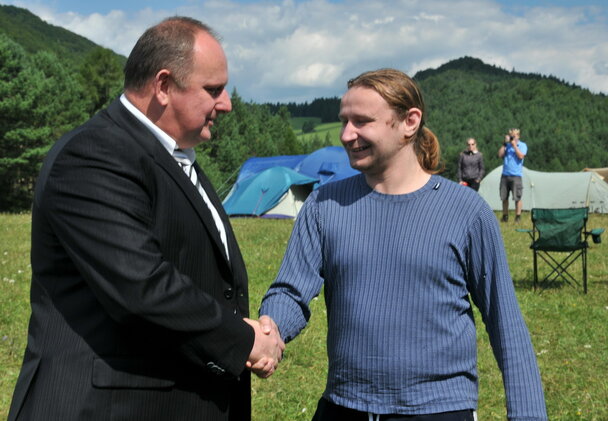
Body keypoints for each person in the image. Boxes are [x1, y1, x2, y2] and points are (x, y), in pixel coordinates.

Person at [8, 16, 284, 421]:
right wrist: (243, 339)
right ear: (163, 86)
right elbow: (141, 285)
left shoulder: (173, 157)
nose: (226, 103)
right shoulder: (95, 156)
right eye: (213, 90)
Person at [260, 69, 547, 421]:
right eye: (344, 121)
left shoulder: (466, 212)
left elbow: (505, 323)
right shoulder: (323, 205)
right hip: (343, 406)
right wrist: (269, 328)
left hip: (439, 410)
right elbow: (291, 290)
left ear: (410, 121)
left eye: (362, 121)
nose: (347, 135)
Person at [498, 128, 527, 223]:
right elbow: (500, 155)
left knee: (517, 197)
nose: (512, 138)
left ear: (518, 136)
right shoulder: (507, 145)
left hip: (516, 175)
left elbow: (521, 156)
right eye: (511, 136)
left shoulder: (522, 145)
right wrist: (505, 144)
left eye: (514, 136)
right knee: (504, 197)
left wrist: (514, 146)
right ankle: (505, 216)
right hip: (505, 174)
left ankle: (518, 216)